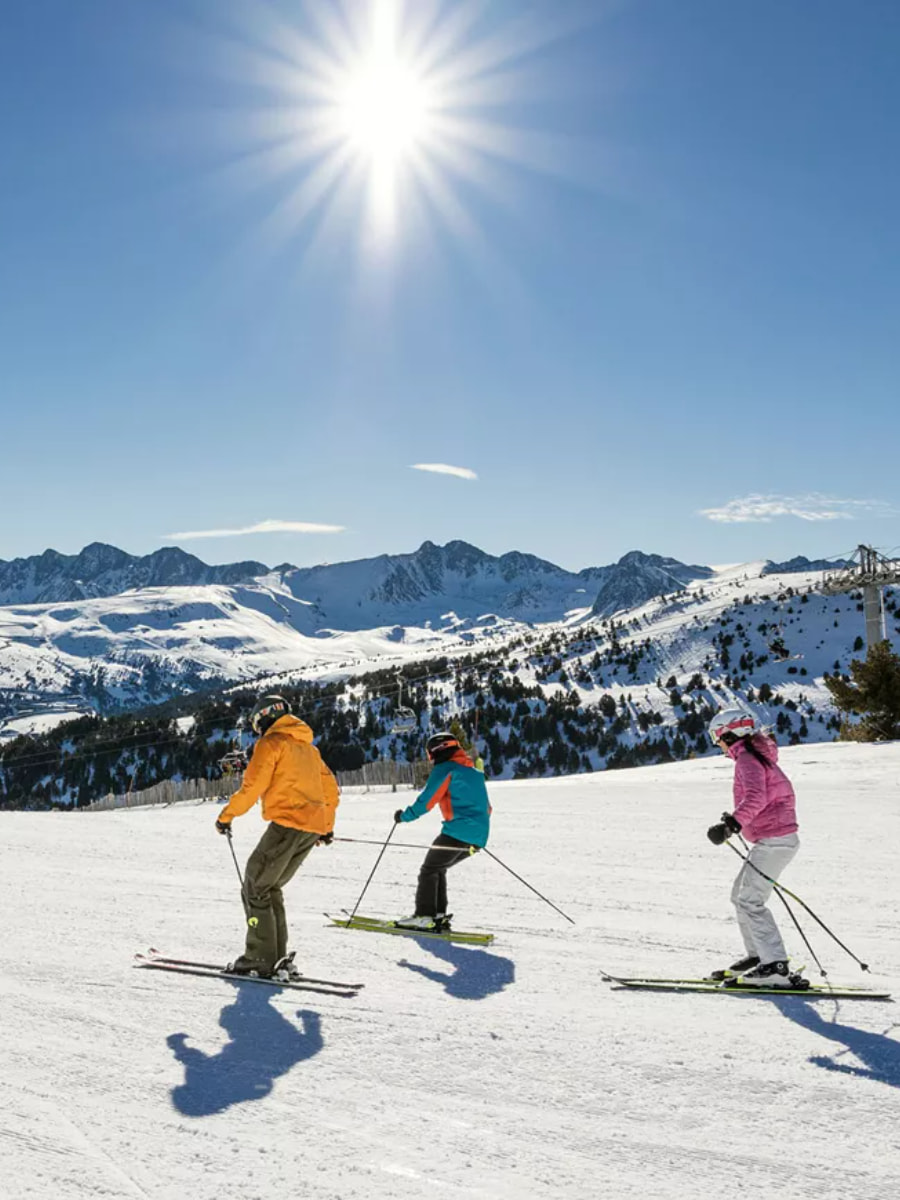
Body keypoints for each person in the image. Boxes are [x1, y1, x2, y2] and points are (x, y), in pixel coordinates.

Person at [215, 694, 339, 978]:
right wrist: (326, 826)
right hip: (309, 827)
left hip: (288, 823)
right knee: (269, 887)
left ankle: (259, 959)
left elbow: (252, 788)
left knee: (255, 884)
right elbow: (331, 791)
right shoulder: (309, 750)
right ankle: (276, 957)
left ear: (265, 716)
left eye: (257, 723)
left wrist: (226, 816)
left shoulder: (271, 744)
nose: (257, 729)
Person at [706, 708, 802, 987]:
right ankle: (759, 956)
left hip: (775, 841)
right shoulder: (755, 756)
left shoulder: (747, 759)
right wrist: (735, 823)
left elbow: (756, 798)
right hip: (773, 839)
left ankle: (775, 966)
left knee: (749, 900)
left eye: (717, 737)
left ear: (731, 733)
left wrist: (732, 825)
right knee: (740, 895)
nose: (717, 744)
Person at [392, 731, 491, 931]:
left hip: (457, 832)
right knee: (438, 868)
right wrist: (474, 830)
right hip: (479, 836)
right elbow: (488, 808)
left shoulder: (446, 769)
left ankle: (424, 916)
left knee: (429, 870)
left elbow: (427, 800)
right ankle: (438, 915)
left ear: (437, 751)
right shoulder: (473, 773)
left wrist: (404, 816)